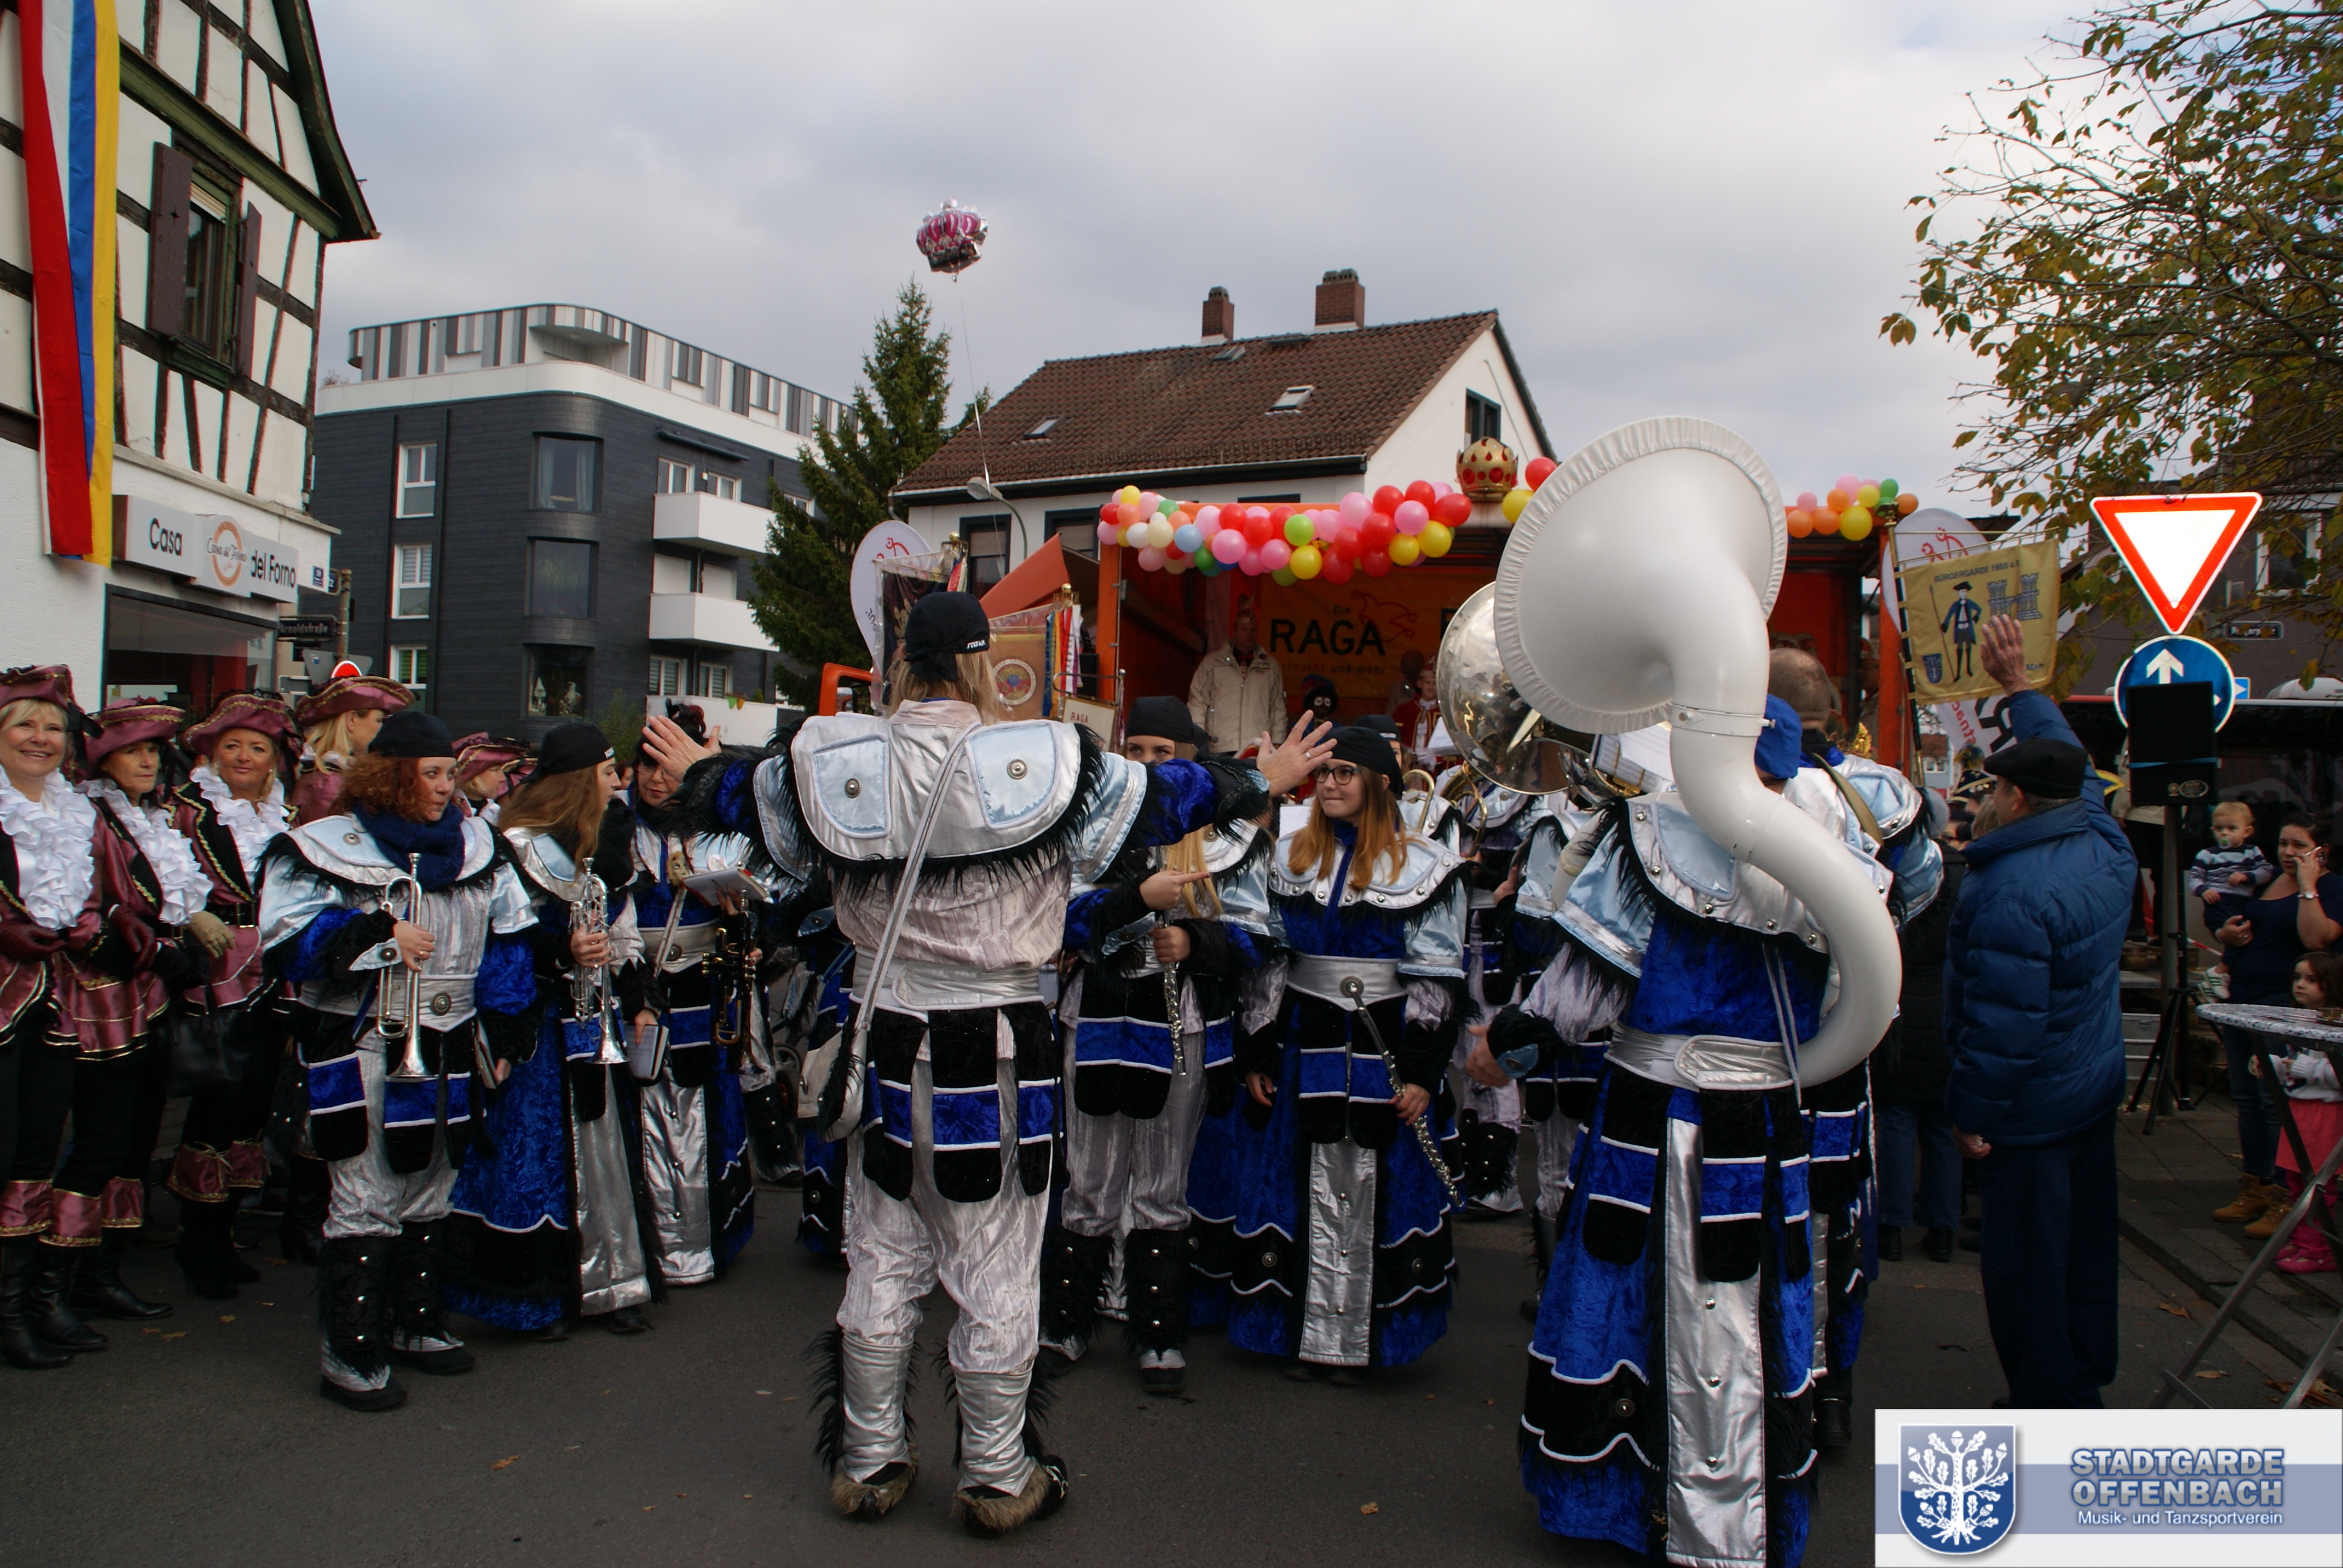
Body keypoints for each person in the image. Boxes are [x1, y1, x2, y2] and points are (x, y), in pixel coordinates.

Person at [641, 590, 1326, 1537]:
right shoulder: (1045, 758)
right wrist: (1260, 776)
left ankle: (868, 1461)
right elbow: (1166, 799)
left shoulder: (832, 756)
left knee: (882, 1251)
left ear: (898, 665)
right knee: (997, 1258)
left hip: (883, 1042)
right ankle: (999, 1474)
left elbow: (745, 801)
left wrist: (702, 772)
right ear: (979, 664)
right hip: (1000, 1046)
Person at [1485, 694, 1886, 1566]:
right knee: (1744, 1300)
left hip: (1659, 1112)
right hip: (1761, 1116)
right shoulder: (1829, 854)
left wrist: (1510, 1043)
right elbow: (1855, 996)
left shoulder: (1656, 836)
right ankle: (1731, 1515)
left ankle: (1637, 1504)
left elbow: (1578, 995)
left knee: (1632, 1292)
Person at [258, 709, 539, 1411]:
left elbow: (510, 942)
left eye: (449, 774)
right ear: (391, 776)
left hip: (453, 1037)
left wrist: (506, 1034)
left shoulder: (480, 845)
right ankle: (349, 1348)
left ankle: (415, 1319)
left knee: (433, 1183)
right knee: (367, 1191)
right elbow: (286, 942)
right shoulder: (323, 845)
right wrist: (377, 935)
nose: (446, 787)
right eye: (432, 774)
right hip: (363, 1041)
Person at [1043, 696, 1274, 1396]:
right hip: (1095, 1015)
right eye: (1135, 751)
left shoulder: (1232, 837)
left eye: (1161, 754)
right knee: (1087, 1177)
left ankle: (1158, 1334)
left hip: (1181, 1022)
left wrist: (1196, 942)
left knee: (1162, 1183)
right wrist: (1126, 909)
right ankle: (1067, 1322)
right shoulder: (1091, 825)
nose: (1145, 764)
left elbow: (1258, 939)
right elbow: (1056, 918)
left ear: (1188, 759)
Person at [1232, 726, 1469, 1383]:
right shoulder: (1286, 857)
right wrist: (1256, 1050)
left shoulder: (1428, 867)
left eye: (1345, 773)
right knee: (1292, 1177)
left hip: (1383, 1042)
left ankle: (1362, 1345)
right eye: (1324, 774)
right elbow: (1270, 962)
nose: (1329, 784)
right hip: (1301, 1040)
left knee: (1379, 1180)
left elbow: (1437, 978)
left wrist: (1421, 1073)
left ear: (1380, 784)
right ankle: (1302, 1337)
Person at [1943, 614, 2137, 1410]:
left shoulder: (2010, 893)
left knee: (2026, 1266)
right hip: (2088, 1085)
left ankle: (2047, 1402)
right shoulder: (2101, 838)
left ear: (2017, 798)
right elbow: (2072, 763)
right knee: (2085, 1251)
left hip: (2028, 1110)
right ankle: (2084, 1375)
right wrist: (2018, 687)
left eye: (1994, 788)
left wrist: (1972, 1114)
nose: (1988, 798)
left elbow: (2003, 1024)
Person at [1769, 645, 1945, 1446]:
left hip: (1753, 1031)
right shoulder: (1884, 792)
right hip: (1851, 1033)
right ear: (1835, 713)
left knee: (1748, 1212)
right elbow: (1917, 896)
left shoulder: (1732, 784)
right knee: (1835, 1209)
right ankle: (1828, 1389)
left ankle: (1767, 1386)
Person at [444, 723, 656, 1338]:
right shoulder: (514, 846)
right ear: (579, 780)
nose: (617, 784)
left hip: (593, 1020)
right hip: (538, 1025)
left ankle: (609, 1284)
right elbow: (497, 940)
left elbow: (623, 933)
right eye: (607, 773)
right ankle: (535, 1297)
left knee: (602, 1154)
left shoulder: (602, 846)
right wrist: (562, 951)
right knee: (534, 1155)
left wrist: (638, 996)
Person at [0, 668, 163, 1370]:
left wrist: (114, 924)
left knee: (35, 1155)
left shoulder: (78, 813)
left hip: (58, 1001)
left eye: (52, 728)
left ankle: (24, 1307)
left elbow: (99, 897)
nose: (40, 739)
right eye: (24, 726)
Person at [601, 716, 761, 1289]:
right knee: (642, 1106)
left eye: (666, 768)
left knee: (702, 1106)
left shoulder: (713, 829)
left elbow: (752, 906)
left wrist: (738, 916)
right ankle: (649, 1248)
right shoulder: (614, 829)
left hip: (703, 985)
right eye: (646, 766)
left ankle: (701, 1241)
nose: (656, 779)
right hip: (636, 983)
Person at [73, 700, 214, 1324]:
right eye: (133, 751)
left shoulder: (150, 815)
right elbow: (91, 908)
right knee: (104, 1140)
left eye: (153, 751)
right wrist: (157, 950)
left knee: (137, 1136)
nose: (148, 761)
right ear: (105, 760)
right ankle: (75, 1272)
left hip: (153, 994)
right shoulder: (90, 816)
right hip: (104, 998)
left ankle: (104, 1267)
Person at [166, 692, 301, 1293]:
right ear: (214, 754)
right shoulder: (189, 810)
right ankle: (196, 1240)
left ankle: (222, 1230)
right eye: (233, 746)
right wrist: (192, 916)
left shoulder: (285, 816)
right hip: (217, 969)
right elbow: (163, 877)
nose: (245, 757)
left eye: (258, 748)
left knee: (254, 1100)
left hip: (271, 970)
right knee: (216, 1098)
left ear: (274, 759)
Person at [2208, 810, 2342, 1233]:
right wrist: (2224, 936)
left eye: (2299, 846)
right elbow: (2237, 922)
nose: (2287, 852)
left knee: (2275, 1099)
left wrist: (2308, 885)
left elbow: (2316, 939)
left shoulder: (2331, 888)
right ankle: (2257, 1184)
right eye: (2283, 843)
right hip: (2241, 999)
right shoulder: (2264, 881)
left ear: (2321, 852)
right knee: (2246, 1095)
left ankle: (2288, 1193)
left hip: (2283, 1003)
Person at [1875, 831, 1967, 1266]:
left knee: (1896, 1124)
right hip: (1947, 1010)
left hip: (1899, 1009)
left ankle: (1891, 1227)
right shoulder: (1964, 877)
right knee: (1942, 1130)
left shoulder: (1889, 873)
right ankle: (1943, 1229)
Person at [290, 673, 410, 826]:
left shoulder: (327, 774)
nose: (382, 728)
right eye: (379, 720)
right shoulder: (328, 782)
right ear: (352, 719)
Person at [1188, 596, 1285, 756]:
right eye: (1244, 629)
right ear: (1234, 631)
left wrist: (1278, 741)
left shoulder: (1270, 667)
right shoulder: (1213, 664)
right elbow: (1197, 702)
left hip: (1256, 746)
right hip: (1219, 746)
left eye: (1253, 630)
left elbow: (1277, 707)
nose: (1249, 634)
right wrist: (1198, 739)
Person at [2191, 800, 2277, 924]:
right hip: (2218, 901)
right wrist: (2203, 890)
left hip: (2246, 900)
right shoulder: (2207, 854)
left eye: (2232, 828)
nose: (2224, 833)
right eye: (2218, 828)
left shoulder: (2252, 851)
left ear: (2246, 832)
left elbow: (2266, 871)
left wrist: (2246, 876)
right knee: (2230, 926)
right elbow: (2194, 877)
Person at [454, 734, 530, 824]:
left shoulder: (494, 812)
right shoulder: (455, 815)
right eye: (496, 770)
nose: (503, 779)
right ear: (475, 775)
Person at [1939, 581, 1982, 681]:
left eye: (1965, 592)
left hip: (1967, 628)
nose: (1964, 594)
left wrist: (1975, 619)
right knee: (1959, 649)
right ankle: (1958, 673)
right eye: (1962, 592)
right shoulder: (1955, 605)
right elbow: (1949, 615)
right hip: (1959, 629)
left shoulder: (1969, 603)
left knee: (1969, 648)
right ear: (1959, 593)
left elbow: (1979, 609)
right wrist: (1945, 626)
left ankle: (1968, 669)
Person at [1384, 649, 1427, 714]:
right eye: (1406, 673)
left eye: (1413, 672)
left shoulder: (1432, 687)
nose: (1410, 676)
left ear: (1422, 668)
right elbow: (1390, 714)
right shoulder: (1397, 688)